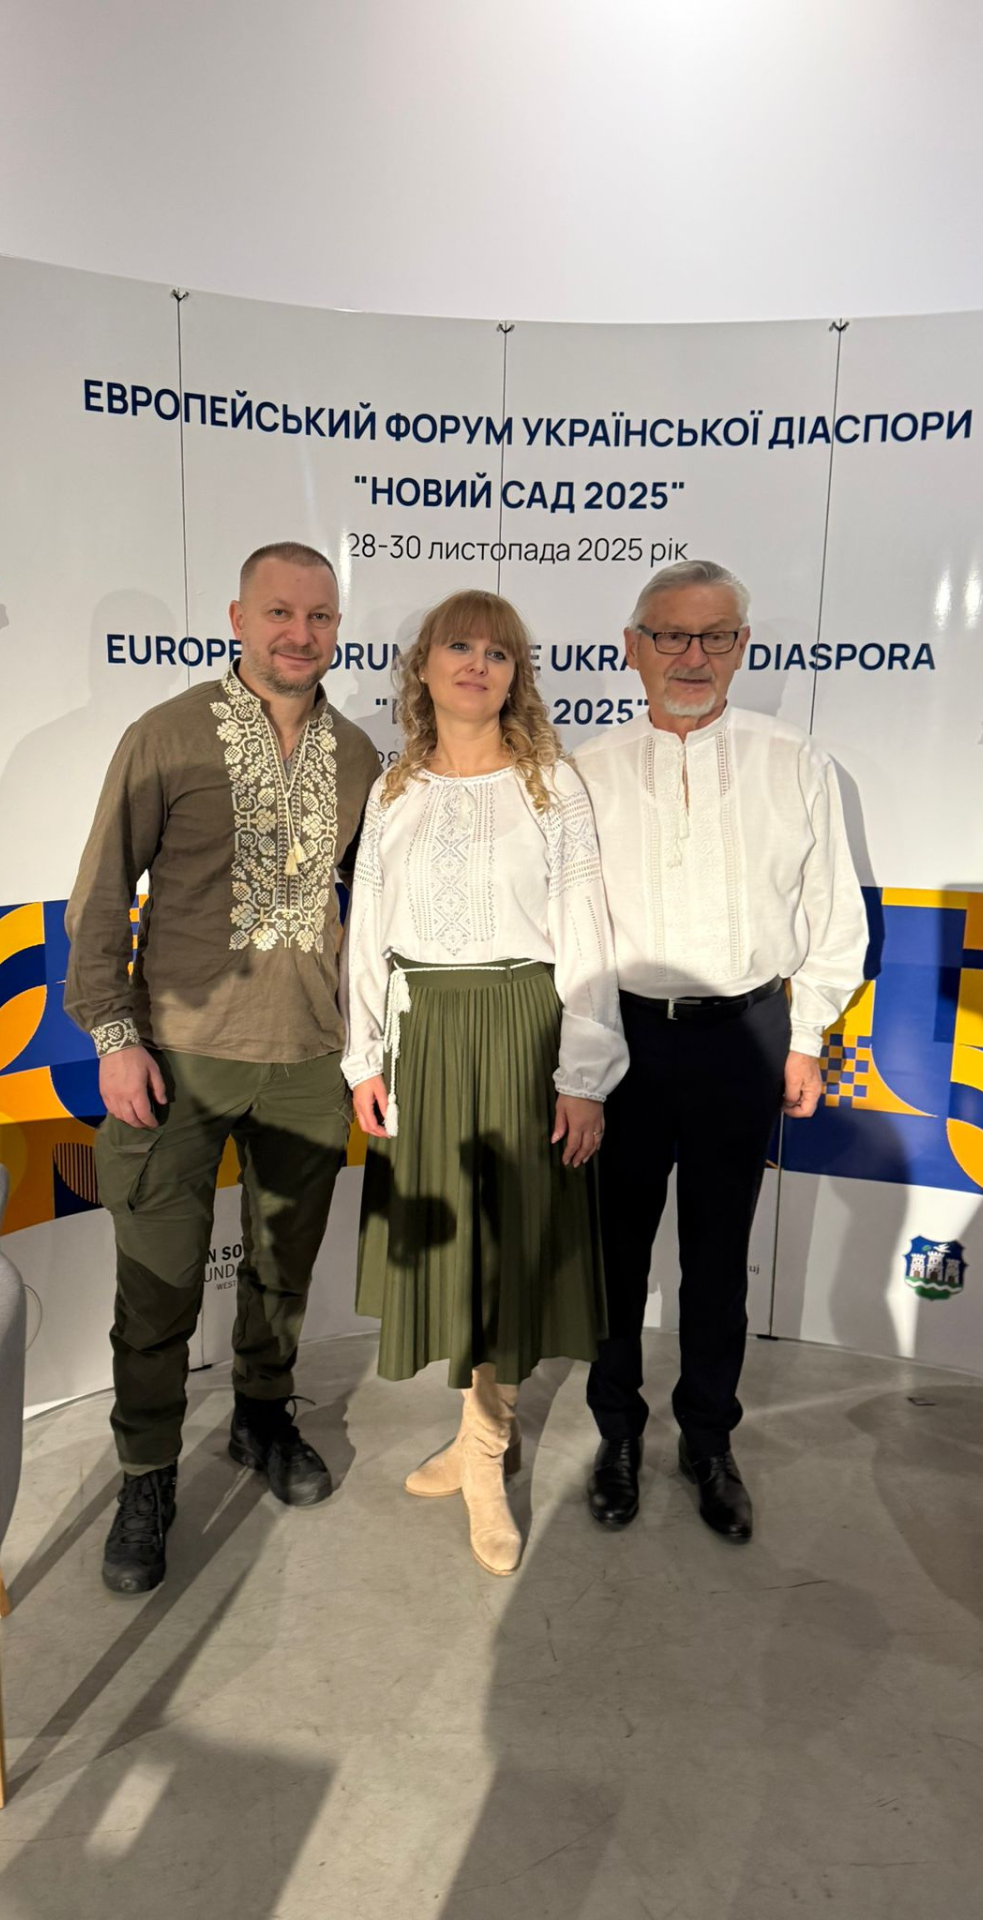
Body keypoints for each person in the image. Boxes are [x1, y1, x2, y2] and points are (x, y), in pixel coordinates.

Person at [65, 541, 380, 1595]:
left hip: (309, 1059)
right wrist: (115, 1039)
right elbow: (100, 896)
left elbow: (380, 910)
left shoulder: (359, 756)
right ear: (238, 619)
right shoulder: (166, 735)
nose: (301, 635)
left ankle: (262, 1418)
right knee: (156, 1288)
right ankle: (146, 1474)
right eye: (280, 613)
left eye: (320, 617)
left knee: (284, 1269)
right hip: (177, 1061)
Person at [575, 558, 868, 1542]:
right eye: (671, 634)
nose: (691, 656)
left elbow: (833, 916)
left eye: (715, 636)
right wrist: (577, 1067)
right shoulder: (584, 772)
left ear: (743, 647)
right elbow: (568, 933)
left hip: (745, 1036)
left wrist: (808, 1036)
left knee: (717, 1257)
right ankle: (617, 1434)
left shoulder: (796, 763)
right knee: (614, 1256)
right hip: (620, 1038)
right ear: (633, 648)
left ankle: (709, 1440)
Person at [342, 589, 628, 1576]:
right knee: (453, 1248)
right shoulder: (394, 790)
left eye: (498, 653)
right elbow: (366, 936)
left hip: (519, 1029)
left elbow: (587, 932)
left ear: (517, 677)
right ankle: (475, 1437)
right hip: (422, 1035)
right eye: (458, 646)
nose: (477, 664)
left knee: (506, 1253)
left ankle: (486, 1453)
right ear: (422, 666)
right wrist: (363, 1057)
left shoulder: (553, 786)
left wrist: (583, 1074)